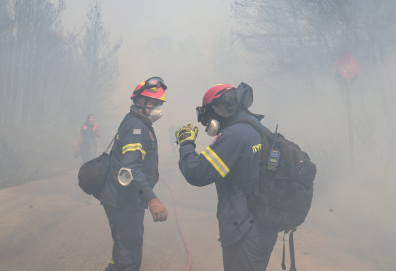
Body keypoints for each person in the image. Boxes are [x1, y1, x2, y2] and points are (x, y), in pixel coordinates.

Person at [176, 83, 278, 271]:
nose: (207, 124)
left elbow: (197, 173)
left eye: (207, 117)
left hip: (244, 228)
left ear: (218, 110)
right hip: (263, 223)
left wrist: (186, 143)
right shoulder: (257, 126)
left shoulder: (233, 136)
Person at [97, 77, 169, 271]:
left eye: (160, 104)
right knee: (128, 255)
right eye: (154, 103)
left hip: (126, 200)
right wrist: (152, 200)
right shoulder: (136, 128)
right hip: (125, 201)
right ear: (139, 102)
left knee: (124, 249)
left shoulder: (139, 123)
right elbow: (130, 170)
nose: (158, 108)